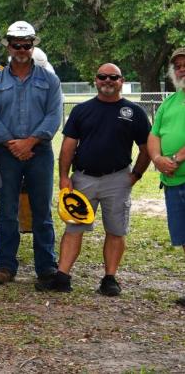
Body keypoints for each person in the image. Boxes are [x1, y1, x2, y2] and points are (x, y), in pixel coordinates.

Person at [43, 63, 151, 295]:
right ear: (96, 80)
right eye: (103, 76)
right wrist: (64, 177)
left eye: (113, 77)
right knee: (74, 228)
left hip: (118, 178)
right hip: (83, 179)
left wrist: (135, 176)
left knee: (116, 229)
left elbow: (146, 149)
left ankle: (110, 279)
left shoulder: (135, 112)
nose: (108, 81)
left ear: (121, 81)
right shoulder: (82, 111)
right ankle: (62, 277)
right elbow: (68, 147)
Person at [0, 21, 63, 286]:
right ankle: (5, 265)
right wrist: (11, 143)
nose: (21, 50)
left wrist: (30, 142)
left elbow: (54, 116)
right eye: (16, 45)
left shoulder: (49, 79)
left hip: (39, 152)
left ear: (32, 46)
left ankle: (46, 267)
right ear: (8, 45)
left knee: (42, 211)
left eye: (26, 45)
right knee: (7, 210)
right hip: (8, 154)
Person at [147, 46, 185, 307]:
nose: (182, 69)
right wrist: (157, 159)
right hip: (172, 182)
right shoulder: (170, 102)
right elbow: (154, 135)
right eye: (178, 66)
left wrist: (176, 158)